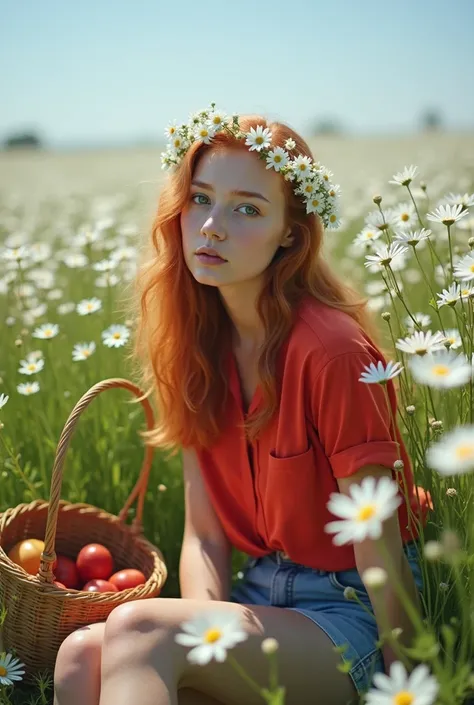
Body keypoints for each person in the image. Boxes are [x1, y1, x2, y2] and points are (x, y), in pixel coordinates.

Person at [53, 104, 431, 705]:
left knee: (139, 630)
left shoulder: (331, 351)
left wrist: (409, 683)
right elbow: (204, 537)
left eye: (246, 209)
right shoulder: (196, 349)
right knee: (81, 657)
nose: (211, 226)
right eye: (200, 199)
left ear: (290, 232)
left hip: (348, 612)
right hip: (257, 599)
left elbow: (377, 541)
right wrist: (203, 644)